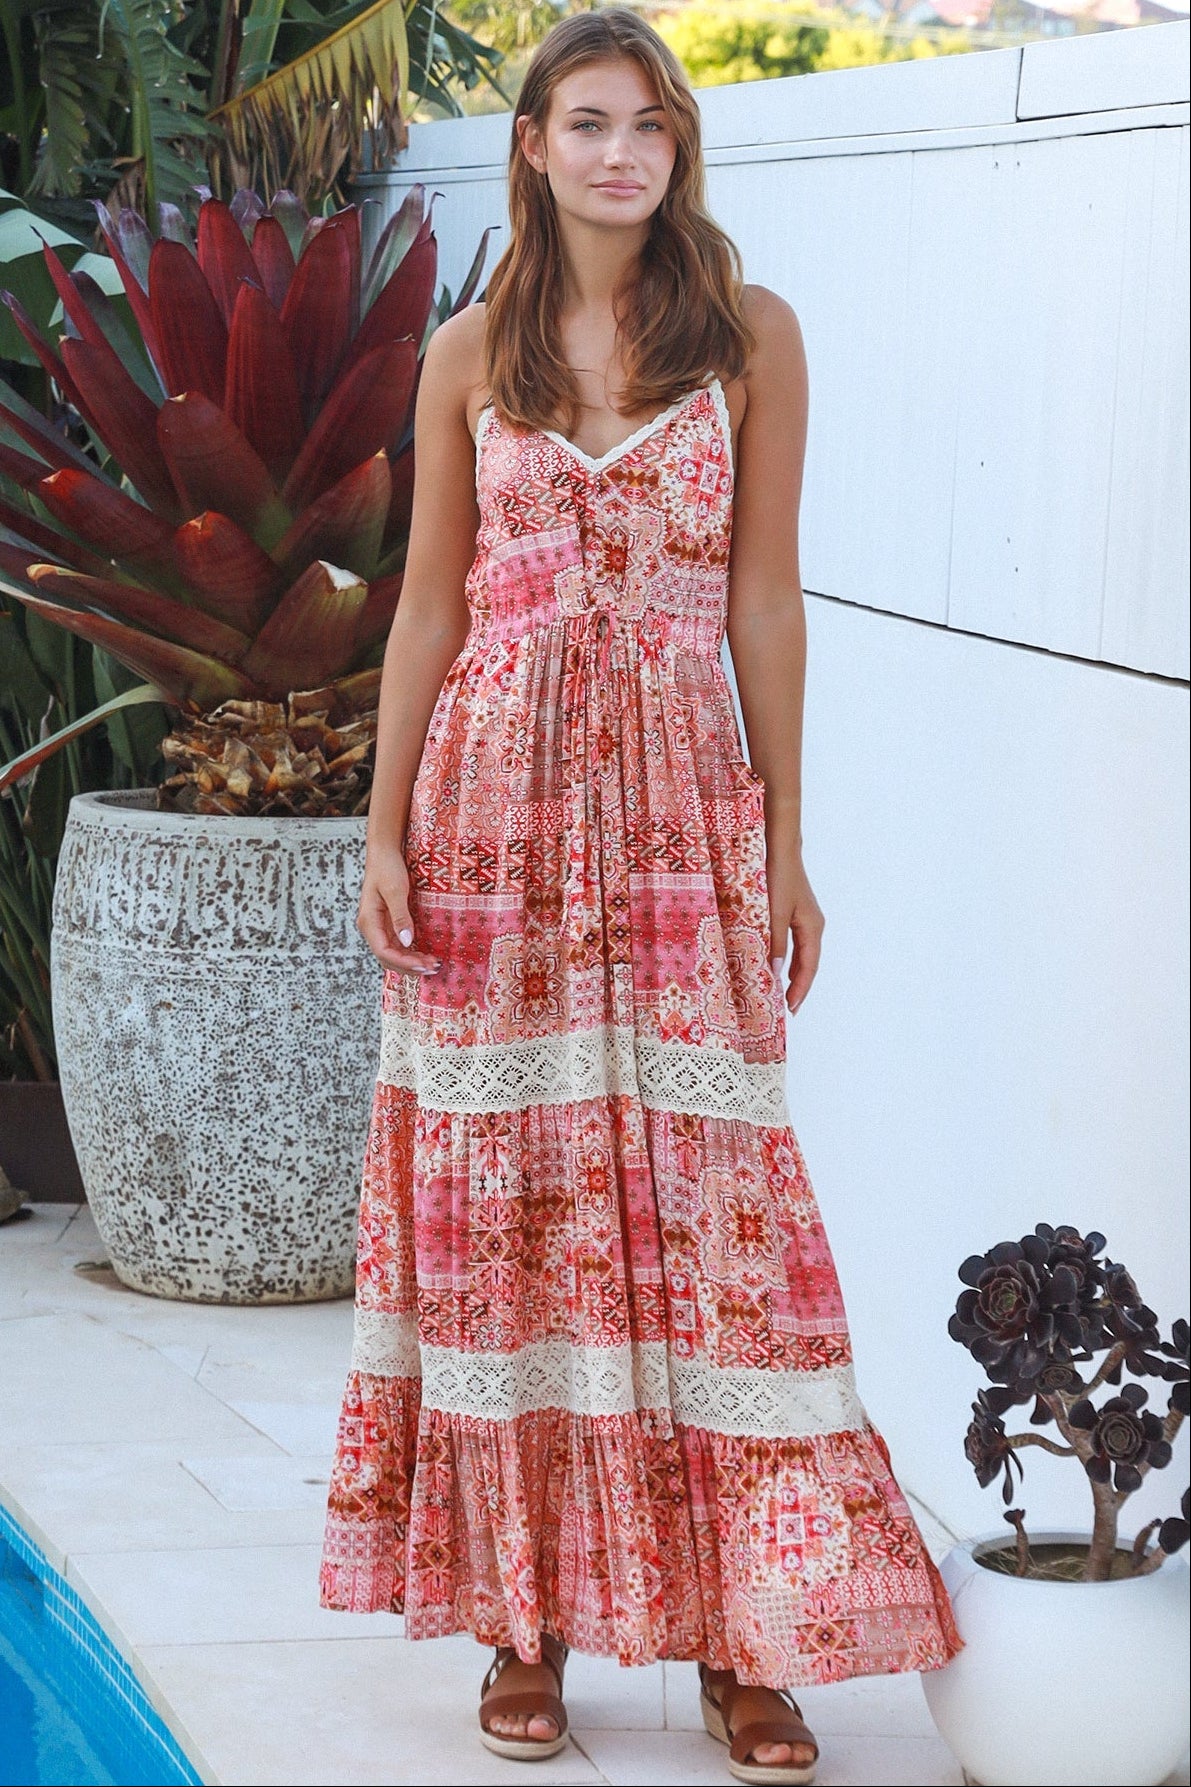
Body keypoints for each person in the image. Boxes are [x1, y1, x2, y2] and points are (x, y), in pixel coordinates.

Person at [319, 10, 960, 1780]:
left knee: (714, 1208)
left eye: (649, 129)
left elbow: (768, 600)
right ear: (530, 144)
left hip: (683, 812)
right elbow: (430, 611)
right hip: (493, 817)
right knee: (508, 1202)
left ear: (681, 152)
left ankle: (748, 1641)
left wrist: (787, 836)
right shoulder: (466, 353)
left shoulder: (752, 339)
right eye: (586, 123)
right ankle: (522, 1624)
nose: (620, 153)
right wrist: (383, 830)